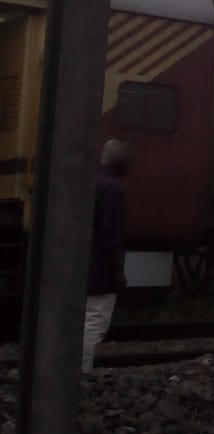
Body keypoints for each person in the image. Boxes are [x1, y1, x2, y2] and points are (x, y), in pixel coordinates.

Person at [83, 139, 131, 372]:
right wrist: (119, 271)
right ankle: (81, 374)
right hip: (100, 273)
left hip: (81, 269)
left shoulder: (89, 182)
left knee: (79, 322)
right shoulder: (113, 189)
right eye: (130, 159)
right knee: (93, 323)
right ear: (121, 162)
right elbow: (112, 235)